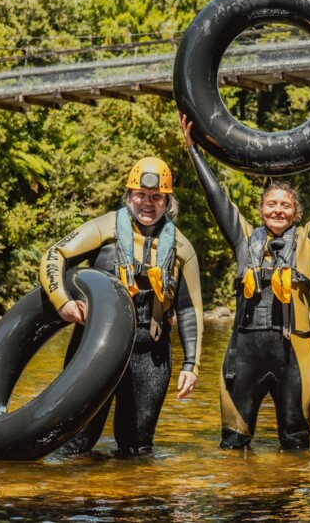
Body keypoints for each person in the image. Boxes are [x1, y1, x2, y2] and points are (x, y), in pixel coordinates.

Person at [180, 112, 310, 450]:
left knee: (296, 450)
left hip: (294, 360)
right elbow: (217, 198)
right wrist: (194, 149)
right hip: (242, 358)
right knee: (233, 449)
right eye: (271, 204)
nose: (277, 210)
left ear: (296, 214)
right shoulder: (243, 239)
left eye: (285, 206)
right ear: (261, 209)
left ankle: (288, 499)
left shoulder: (308, 242)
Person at [39, 156, 203, 455]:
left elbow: (190, 310)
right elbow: (55, 254)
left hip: (149, 356)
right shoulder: (103, 229)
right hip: (94, 349)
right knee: (75, 445)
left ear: (168, 201)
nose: (147, 203)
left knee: (137, 449)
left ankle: (130, 498)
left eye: (156, 197)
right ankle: (69, 499)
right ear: (129, 196)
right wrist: (62, 301)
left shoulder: (182, 248)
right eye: (140, 195)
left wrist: (191, 365)